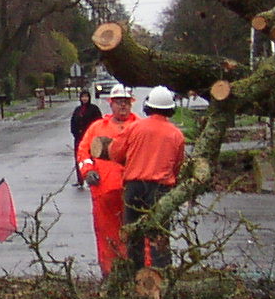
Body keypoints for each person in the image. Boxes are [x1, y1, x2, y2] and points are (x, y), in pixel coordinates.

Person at [108, 85, 187, 269]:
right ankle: (162, 276)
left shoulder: (135, 128)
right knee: (159, 236)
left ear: (147, 106)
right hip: (161, 190)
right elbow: (178, 165)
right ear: (170, 109)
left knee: (133, 235)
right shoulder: (177, 135)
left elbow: (115, 153)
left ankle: (136, 275)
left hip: (134, 187)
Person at [76, 87, 137, 273]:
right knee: (106, 234)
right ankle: (110, 273)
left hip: (134, 192)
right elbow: (83, 152)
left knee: (135, 235)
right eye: (119, 102)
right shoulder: (97, 128)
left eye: (126, 102)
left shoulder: (139, 126)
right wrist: (87, 171)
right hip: (104, 192)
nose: (123, 106)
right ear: (111, 103)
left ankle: (136, 271)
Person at [67, 90, 101, 185]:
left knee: (93, 159)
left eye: (86, 97)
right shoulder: (77, 110)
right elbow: (73, 122)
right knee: (79, 159)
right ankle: (80, 180)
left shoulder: (94, 109)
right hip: (79, 138)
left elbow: (99, 123)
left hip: (91, 139)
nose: (84, 99)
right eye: (83, 97)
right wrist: (76, 133)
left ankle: (94, 178)